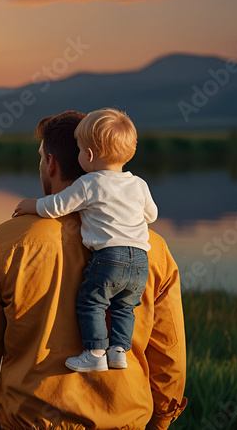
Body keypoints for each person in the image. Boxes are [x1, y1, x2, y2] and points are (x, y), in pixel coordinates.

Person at [0, 111, 187, 430]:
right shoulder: (154, 248)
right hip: (126, 422)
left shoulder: (9, 241)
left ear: (51, 163)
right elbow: (169, 351)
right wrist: (161, 418)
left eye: (41, 159)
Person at [13, 108, 157, 373]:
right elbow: (152, 214)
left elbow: (58, 206)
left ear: (88, 156)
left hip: (109, 257)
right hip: (140, 260)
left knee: (92, 301)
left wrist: (32, 205)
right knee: (125, 307)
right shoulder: (139, 185)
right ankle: (118, 351)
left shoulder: (89, 183)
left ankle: (95, 351)